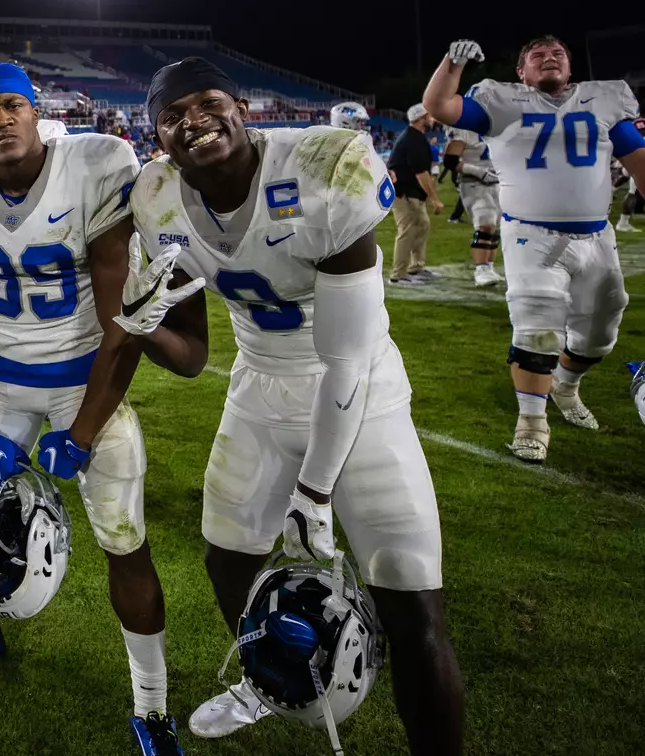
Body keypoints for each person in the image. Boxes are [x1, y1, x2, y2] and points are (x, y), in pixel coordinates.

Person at [117, 57, 463, 752]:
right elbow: (192, 360)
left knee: (410, 599)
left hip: (361, 395)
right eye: (173, 115)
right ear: (156, 135)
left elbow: (348, 358)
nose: (194, 120)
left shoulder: (324, 170)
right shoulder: (156, 197)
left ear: (243, 107)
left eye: (209, 102)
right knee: (229, 559)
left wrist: (315, 491)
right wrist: (140, 322)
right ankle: (269, 674)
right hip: (258, 386)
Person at [0, 64, 182, 754]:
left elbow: (123, 316)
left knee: (123, 538)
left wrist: (85, 430)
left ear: (37, 112)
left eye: (11, 107)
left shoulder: (95, 162)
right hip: (2, 381)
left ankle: (151, 705)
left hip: (82, 380)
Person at [422, 36, 645, 461]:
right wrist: (452, 64)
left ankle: (565, 386)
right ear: (522, 73)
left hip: (597, 237)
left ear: (570, 68)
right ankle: (531, 421)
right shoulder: (502, 102)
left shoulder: (601, 102)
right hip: (532, 235)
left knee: (601, 330)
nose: (549, 59)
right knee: (537, 323)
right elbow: (440, 106)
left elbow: (641, 159)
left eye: (557, 54)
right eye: (537, 56)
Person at [386, 104, 443, 286]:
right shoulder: (413, 139)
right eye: (429, 115)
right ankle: (398, 275)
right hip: (402, 191)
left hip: (410, 190)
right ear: (421, 118)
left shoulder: (415, 137)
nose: (432, 119)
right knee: (407, 229)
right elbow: (421, 173)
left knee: (422, 225)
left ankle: (416, 267)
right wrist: (434, 199)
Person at [443, 126, 502, 287]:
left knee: (494, 226)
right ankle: (480, 270)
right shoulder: (464, 128)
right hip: (474, 183)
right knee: (485, 225)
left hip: (496, 181)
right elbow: (450, 161)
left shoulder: (495, 126)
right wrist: (478, 172)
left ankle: (489, 267)